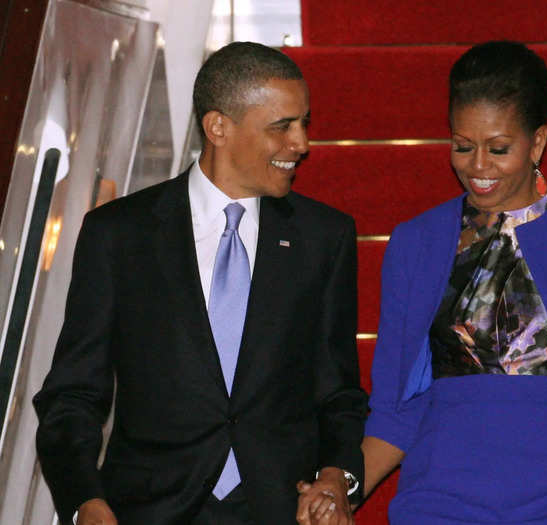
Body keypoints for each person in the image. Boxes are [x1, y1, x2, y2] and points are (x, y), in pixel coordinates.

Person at [326, 41, 547, 524]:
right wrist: (339, 493)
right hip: (441, 497)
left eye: (498, 149)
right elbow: (395, 410)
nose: (477, 167)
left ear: (537, 143)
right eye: (462, 146)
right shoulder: (417, 243)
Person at [33, 41, 366, 525]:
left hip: (280, 509)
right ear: (218, 128)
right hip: (149, 509)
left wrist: (337, 474)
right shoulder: (119, 234)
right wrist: (85, 501)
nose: (301, 144)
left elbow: (338, 392)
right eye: (282, 127)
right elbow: (73, 393)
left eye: (303, 123)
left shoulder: (323, 237)